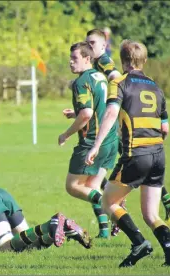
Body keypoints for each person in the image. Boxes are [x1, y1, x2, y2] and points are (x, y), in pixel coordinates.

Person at [85, 40, 170, 267]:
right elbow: (165, 128)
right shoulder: (156, 87)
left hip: (135, 155)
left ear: (123, 61)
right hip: (158, 155)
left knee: (108, 201)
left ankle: (139, 242)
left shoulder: (119, 83)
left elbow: (110, 114)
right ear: (144, 61)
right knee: (151, 214)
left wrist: (96, 145)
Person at [59, 42, 119, 239]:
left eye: (75, 58)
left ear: (87, 58)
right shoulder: (100, 76)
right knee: (92, 186)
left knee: (73, 186)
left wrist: (66, 134)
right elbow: (96, 108)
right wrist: (74, 114)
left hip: (91, 142)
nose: (70, 62)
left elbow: (86, 114)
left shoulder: (81, 81)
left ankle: (114, 207)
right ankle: (105, 231)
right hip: (110, 140)